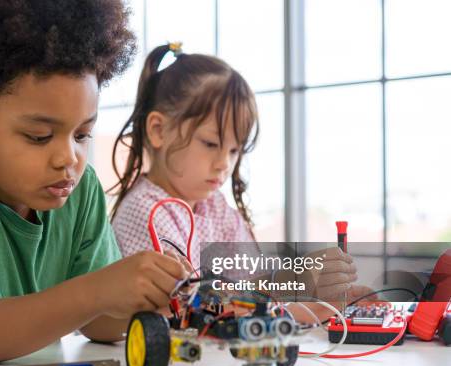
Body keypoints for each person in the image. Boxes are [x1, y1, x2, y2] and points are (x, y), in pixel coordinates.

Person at [0, 0, 188, 366]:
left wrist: (146, 293)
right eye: (40, 136)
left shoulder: (79, 188)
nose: (68, 157)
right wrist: (100, 289)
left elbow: (100, 324)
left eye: (82, 134)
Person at [109, 44, 371, 320]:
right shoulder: (146, 211)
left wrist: (309, 287)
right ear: (158, 130)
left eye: (234, 150)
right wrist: (302, 312)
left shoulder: (214, 207)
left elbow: (251, 288)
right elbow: (185, 307)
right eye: (211, 144)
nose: (225, 163)